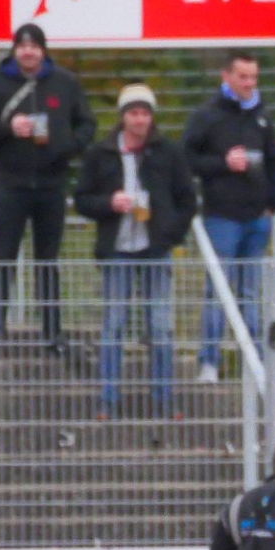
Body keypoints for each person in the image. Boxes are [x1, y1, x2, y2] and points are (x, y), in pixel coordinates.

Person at [0, 23, 95, 361]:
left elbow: (87, 124)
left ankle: (52, 334)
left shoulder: (64, 83)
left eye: (34, 46)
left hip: (51, 184)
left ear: (43, 50)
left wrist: (64, 147)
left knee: (47, 262)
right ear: (14, 50)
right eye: (22, 46)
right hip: (12, 184)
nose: (28, 52)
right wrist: (8, 128)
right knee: (4, 259)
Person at [73, 84, 196, 420]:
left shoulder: (168, 153)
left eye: (145, 113)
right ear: (123, 116)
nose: (140, 119)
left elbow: (187, 200)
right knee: (113, 325)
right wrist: (108, 203)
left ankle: (164, 399)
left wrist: (169, 233)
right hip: (117, 249)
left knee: (160, 326)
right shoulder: (101, 153)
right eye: (134, 113)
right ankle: (108, 399)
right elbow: (82, 198)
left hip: (155, 248)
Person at [184, 50, 275, 383]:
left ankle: (253, 365)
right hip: (221, 217)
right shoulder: (207, 115)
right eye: (243, 77)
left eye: (253, 77)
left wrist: (271, 203)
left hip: (257, 218)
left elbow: (274, 161)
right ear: (226, 76)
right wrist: (222, 163)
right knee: (218, 291)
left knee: (250, 293)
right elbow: (187, 159)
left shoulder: (262, 115)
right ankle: (209, 362)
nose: (249, 83)